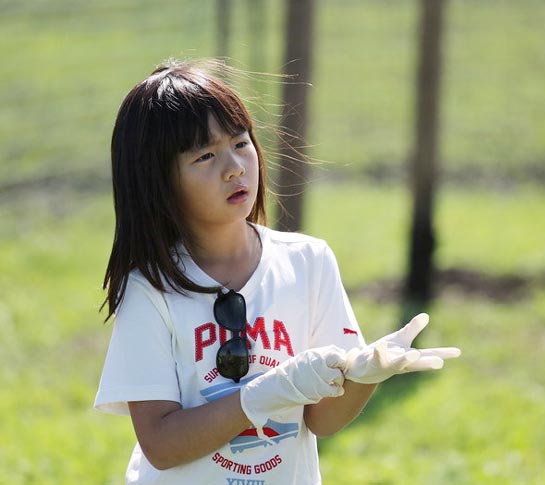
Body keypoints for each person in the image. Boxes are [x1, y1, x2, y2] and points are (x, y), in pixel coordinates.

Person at [94, 59, 461, 484]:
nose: (233, 167)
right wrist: (266, 393)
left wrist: (363, 376)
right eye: (205, 155)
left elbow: (322, 421)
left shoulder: (308, 261)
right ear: (158, 181)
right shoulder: (150, 287)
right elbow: (161, 444)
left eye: (240, 142)